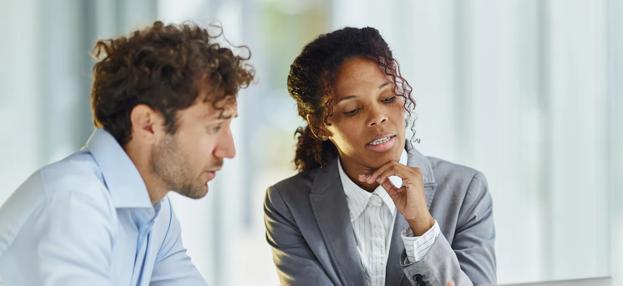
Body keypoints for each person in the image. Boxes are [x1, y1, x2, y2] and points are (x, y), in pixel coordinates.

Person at [0, 21, 254, 285]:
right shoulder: (75, 201)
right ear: (147, 125)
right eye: (215, 127)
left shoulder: (155, 212)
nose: (229, 150)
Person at [264, 27, 496, 286]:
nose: (378, 117)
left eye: (388, 97)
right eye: (353, 110)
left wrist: (422, 226)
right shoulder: (288, 205)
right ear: (320, 126)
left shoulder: (465, 192)